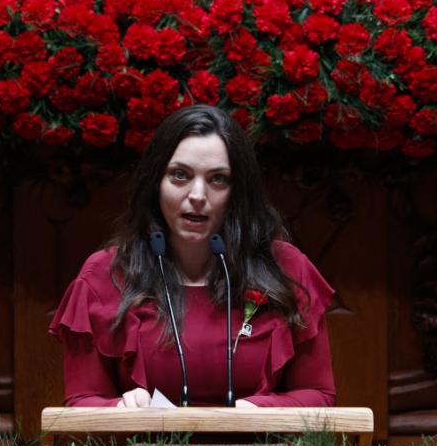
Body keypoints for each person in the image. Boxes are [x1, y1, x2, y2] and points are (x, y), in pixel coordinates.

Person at [48, 105, 337, 408]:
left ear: (238, 192)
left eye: (218, 179)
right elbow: (82, 401)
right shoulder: (105, 274)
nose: (198, 195)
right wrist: (118, 409)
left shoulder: (286, 268)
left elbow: (320, 396)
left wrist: (259, 412)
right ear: (155, 184)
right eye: (180, 176)